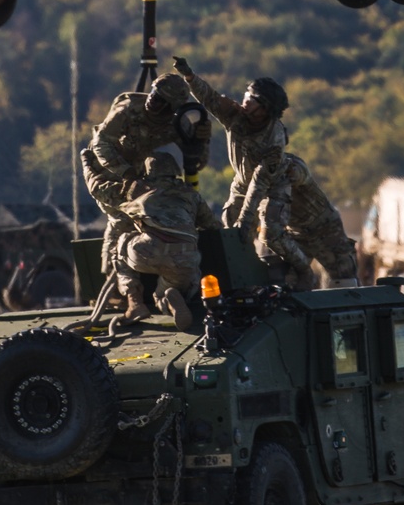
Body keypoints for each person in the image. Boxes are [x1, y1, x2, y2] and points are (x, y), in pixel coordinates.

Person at [81, 73, 204, 275]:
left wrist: (199, 143)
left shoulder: (176, 123)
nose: (151, 101)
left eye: (159, 100)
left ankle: (137, 275)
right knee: (121, 217)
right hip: (104, 169)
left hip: (137, 173)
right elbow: (101, 144)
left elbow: (196, 161)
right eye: (153, 93)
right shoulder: (127, 110)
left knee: (145, 218)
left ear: (170, 107)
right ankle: (112, 275)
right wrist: (127, 174)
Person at [171, 57, 288, 225]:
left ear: (265, 109)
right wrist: (190, 76)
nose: (246, 100)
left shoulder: (274, 138)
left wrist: (245, 222)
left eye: (253, 99)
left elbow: (260, 183)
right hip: (242, 185)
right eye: (247, 94)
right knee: (231, 228)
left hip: (271, 188)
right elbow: (210, 98)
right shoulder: (235, 116)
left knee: (273, 234)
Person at [113, 150, 221, 331]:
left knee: (122, 242)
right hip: (184, 254)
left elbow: (120, 215)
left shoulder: (141, 191)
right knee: (180, 285)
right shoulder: (190, 194)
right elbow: (211, 225)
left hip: (148, 250)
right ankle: (169, 298)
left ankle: (134, 301)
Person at [239, 153, 358, 288]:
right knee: (290, 282)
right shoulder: (251, 176)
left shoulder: (290, 165)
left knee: (345, 279)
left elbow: (297, 175)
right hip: (296, 233)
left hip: (326, 229)